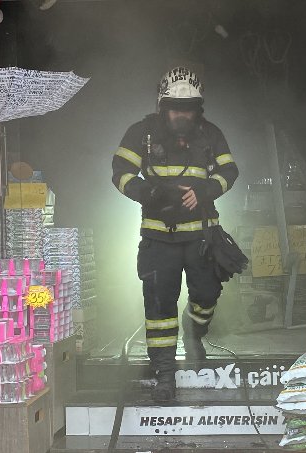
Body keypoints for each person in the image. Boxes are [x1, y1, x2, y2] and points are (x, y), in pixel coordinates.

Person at [111, 67, 239, 402]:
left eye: (189, 108)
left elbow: (229, 170)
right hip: (158, 240)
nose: (182, 115)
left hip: (201, 238)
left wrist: (206, 191)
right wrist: (148, 194)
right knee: (158, 308)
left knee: (207, 296)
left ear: (199, 108)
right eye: (175, 108)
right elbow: (121, 172)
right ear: (162, 106)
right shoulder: (141, 133)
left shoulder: (211, 134)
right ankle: (165, 374)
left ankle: (195, 330)